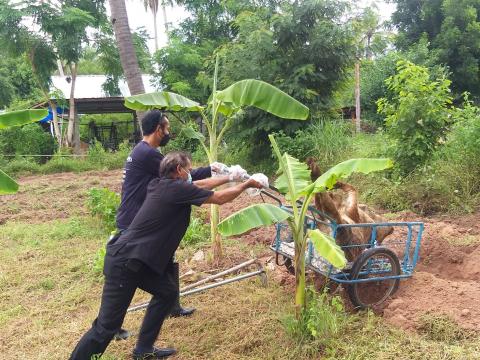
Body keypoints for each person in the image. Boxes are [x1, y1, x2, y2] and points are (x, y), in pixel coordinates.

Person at [70, 151, 262, 360]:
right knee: (106, 328)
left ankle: (143, 350)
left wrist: (230, 177)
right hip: (125, 263)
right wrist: (246, 185)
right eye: (188, 170)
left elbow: (201, 185)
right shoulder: (175, 189)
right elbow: (219, 198)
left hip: (137, 261)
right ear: (179, 171)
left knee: (167, 292)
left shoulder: (162, 185)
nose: (190, 174)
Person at [113, 110, 240, 339]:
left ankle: (172, 305)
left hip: (137, 217)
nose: (168, 132)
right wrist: (218, 171)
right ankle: (112, 325)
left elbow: (184, 176)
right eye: (167, 128)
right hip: (135, 221)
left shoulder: (144, 151)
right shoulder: (147, 154)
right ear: (157, 129)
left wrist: (213, 169)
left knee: (166, 259)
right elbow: (183, 177)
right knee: (128, 277)